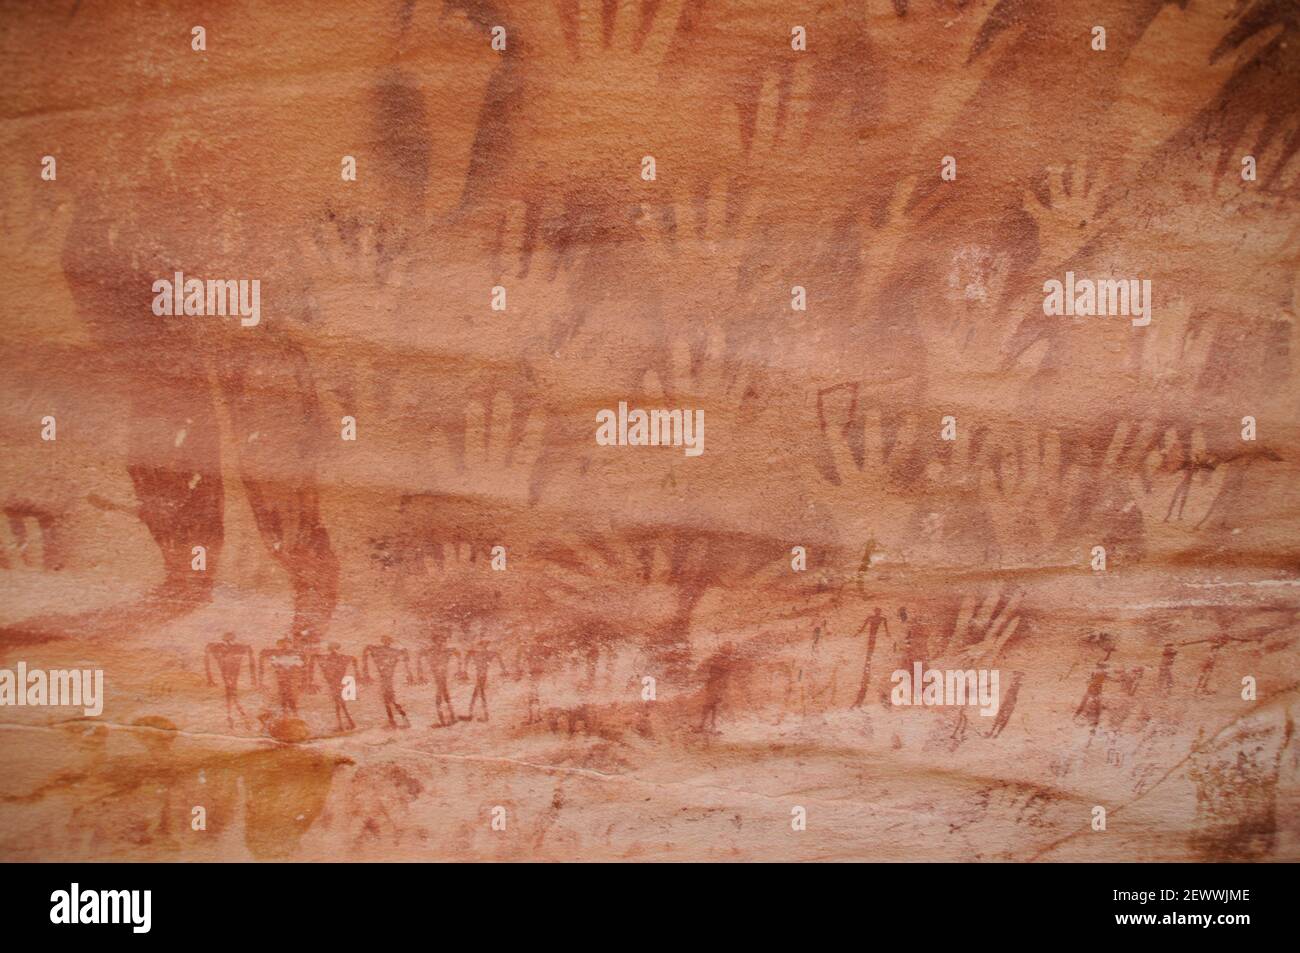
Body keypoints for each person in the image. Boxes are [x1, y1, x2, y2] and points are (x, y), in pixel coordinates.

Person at [205, 632, 256, 727]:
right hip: (226, 671)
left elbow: (249, 654)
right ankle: (235, 714)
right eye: (227, 638)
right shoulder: (219, 648)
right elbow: (208, 653)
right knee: (231, 690)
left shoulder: (238, 648)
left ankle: (233, 714)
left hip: (232, 671)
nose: (228, 640)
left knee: (231, 690)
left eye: (230, 638)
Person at [363, 635, 413, 728]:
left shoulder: (379, 650)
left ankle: (397, 719)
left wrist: (365, 669)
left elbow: (367, 648)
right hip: (386, 679)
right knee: (389, 700)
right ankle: (397, 719)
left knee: (389, 700)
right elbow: (405, 654)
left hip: (386, 680)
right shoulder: (393, 652)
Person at [309, 642, 358, 731]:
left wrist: (358, 674)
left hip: (336, 682)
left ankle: (344, 724)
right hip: (334, 682)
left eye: (334, 648)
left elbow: (354, 659)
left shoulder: (338, 657)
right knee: (339, 702)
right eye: (332, 648)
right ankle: (347, 723)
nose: (333, 650)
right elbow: (354, 659)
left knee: (339, 702)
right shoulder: (337, 657)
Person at [850, 607, 890, 708]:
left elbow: (886, 630)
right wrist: (856, 634)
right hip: (871, 638)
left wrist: (888, 634)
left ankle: (868, 666)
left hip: (873, 638)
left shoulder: (881, 619)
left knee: (870, 653)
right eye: (877, 611)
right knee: (869, 652)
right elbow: (863, 628)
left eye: (878, 611)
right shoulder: (874, 618)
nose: (877, 613)